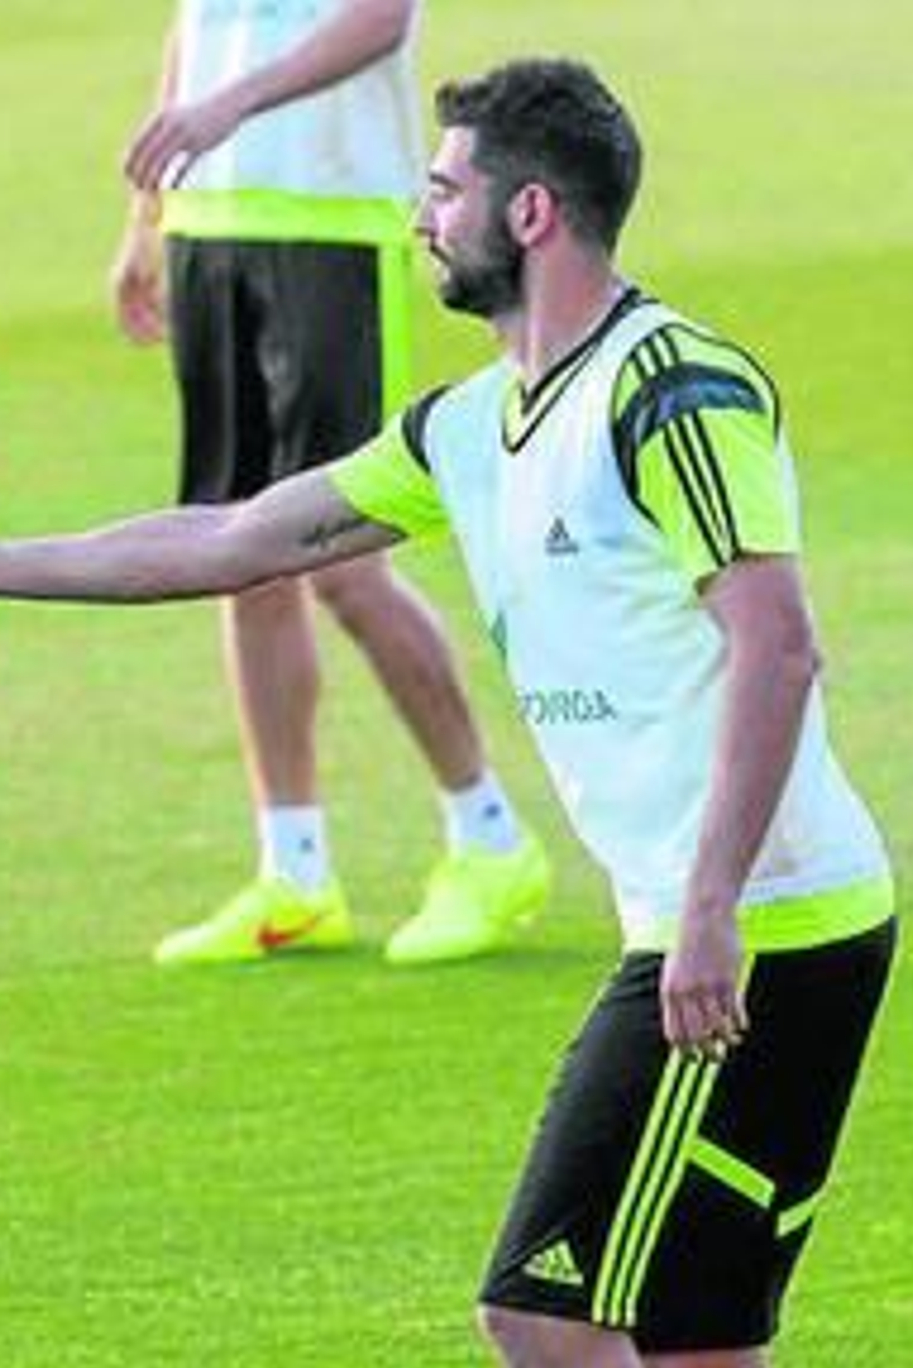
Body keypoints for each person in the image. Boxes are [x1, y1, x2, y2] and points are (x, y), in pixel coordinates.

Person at [0, 57, 898, 1368]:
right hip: (737, 923)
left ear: (534, 213)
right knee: (697, 1341)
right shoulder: (466, 432)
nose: (418, 214)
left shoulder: (674, 390)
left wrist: (713, 908)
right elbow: (237, 536)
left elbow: (777, 641)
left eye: (443, 190)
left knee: (543, 1312)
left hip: (755, 933)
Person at [109, 0, 549, 967]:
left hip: (332, 227)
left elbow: (382, 18)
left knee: (345, 565)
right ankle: (295, 873)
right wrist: (147, 219)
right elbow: (196, 29)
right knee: (240, 560)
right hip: (210, 226)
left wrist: (232, 106)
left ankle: (490, 840)